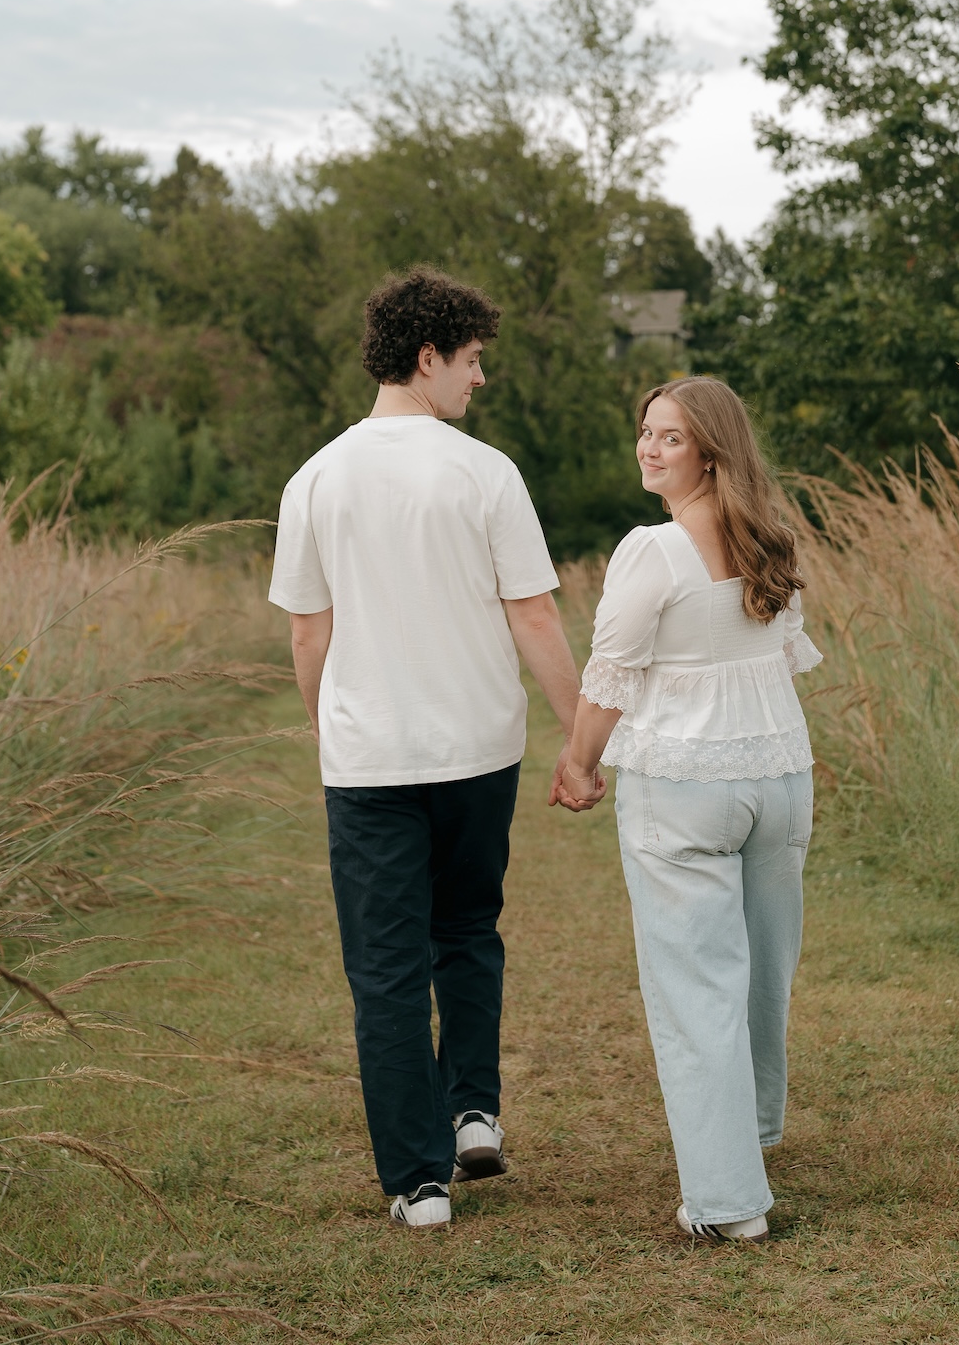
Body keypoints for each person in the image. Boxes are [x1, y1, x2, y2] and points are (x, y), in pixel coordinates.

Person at [269, 267, 595, 1230]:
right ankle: (473, 1113)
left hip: (370, 761)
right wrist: (581, 746)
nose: (478, 380)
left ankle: (419, 1182)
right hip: (478, 751)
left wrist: (331, 732)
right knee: (466, 934)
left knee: (385, 968)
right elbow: (534, 617)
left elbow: (306, 637)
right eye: (471, 361)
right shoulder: (484, 473)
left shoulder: (315, 478)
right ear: (427, 357)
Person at [554, 375, 820, 1243]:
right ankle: (750, 1137)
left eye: (669, 436)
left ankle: (728, 1201)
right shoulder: (770, 541)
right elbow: (779, 662)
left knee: (697, 986)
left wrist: (578, 760)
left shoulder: (653, 550)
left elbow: (614, 676)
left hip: (688, 788)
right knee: (760, 973)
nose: (649, 447)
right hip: (778, 778)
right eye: (645, 431)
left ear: (710, 448)